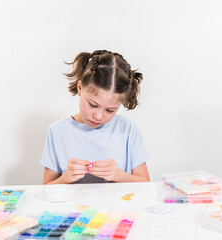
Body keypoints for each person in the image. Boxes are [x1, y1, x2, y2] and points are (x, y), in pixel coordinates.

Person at [41, 50, 150, 184]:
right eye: (93, 105)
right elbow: (46, 188)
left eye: (110, 110)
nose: (98, 116)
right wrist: (65, 178)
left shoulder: (127, 128)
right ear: (80, 88)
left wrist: (118, 175)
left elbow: (145, 183)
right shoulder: (57, 131)